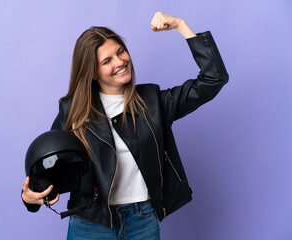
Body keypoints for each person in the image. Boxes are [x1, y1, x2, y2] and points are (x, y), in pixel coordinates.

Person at [21, 11, 228, 240]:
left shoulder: (153, 102)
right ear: (91, 72)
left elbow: (213, 78)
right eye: (106, 61)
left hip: (142, 220)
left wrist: (181, 25)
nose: (120, 62)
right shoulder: (73, 110)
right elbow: (49, 166)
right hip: (90, 222)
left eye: (120, 51)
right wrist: (29, 198)